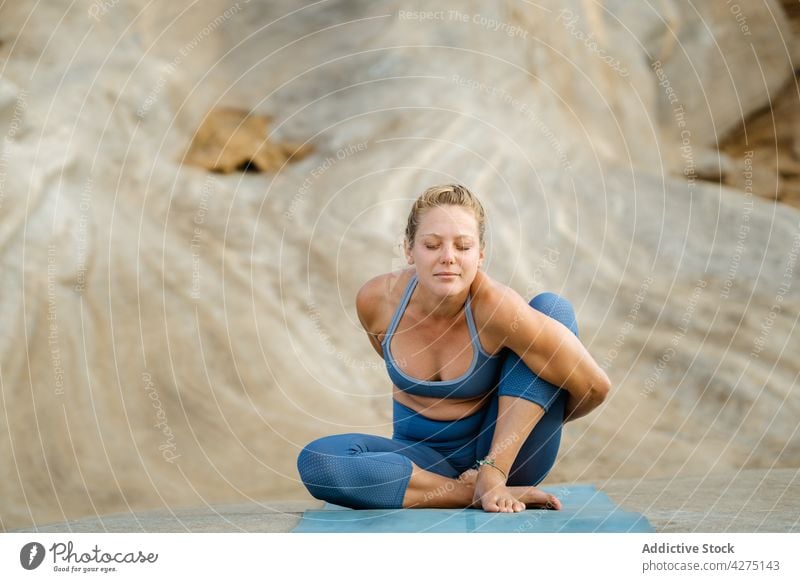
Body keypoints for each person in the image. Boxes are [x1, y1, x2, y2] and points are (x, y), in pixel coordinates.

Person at [297, 184, 610, 513]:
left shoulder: (496, 308)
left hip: (509, 457)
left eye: (463, 246)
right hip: (421, 460)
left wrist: (532, 422)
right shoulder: (377, 302)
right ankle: (468, 493)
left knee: (551, 310)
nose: (448, 257)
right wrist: (469, 487)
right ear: (408, 250)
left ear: (480, 254)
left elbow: (594, 387)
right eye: (432, 245)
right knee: (320, 463)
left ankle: (491, 479)